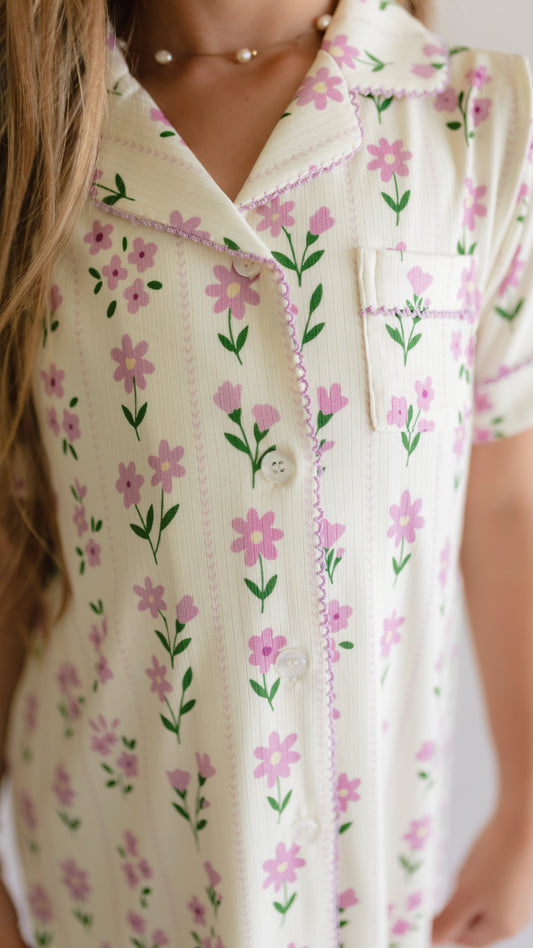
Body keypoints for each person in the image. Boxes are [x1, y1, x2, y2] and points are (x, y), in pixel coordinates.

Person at [2, 0, 533, 945]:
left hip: (371, 881)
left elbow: (502, 504)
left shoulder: (472, 121)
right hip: (113, 877)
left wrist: (527, 807)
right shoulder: (38, 140)